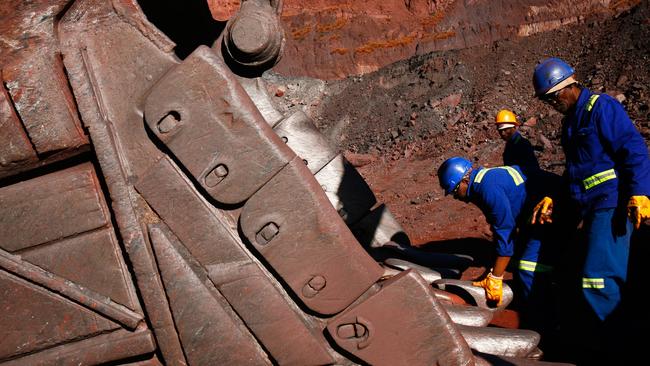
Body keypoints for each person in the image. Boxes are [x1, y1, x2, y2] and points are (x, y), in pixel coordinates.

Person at [531, 57, 650, 360]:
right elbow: (575, 172)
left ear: (565, 89)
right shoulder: (570, 121)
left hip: (611, 204)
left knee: (597, 277)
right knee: (583, 273)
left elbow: (633, 149)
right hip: (590, 207)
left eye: (551, 98)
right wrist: (555, 198)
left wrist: (640, 193)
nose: (551, 104)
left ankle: (617, 347)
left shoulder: (600, 107)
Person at [437, 157, 558, 324]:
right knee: (515, 262)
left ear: (464, 180)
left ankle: (544, 320)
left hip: (552, 206)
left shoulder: (487, 189)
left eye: (455, 191)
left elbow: (506, 234)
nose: (456, 197)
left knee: (528, 266)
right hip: (536, 210)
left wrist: (496, 277)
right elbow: (501, 231)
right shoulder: (482, 183)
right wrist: (491, 272)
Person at [494, 109, 540, 176]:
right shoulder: (511, 144)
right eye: (500, 130)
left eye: (505, 129)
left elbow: (532, 171)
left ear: (514, 127)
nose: (503, 133)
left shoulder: (523, 144)